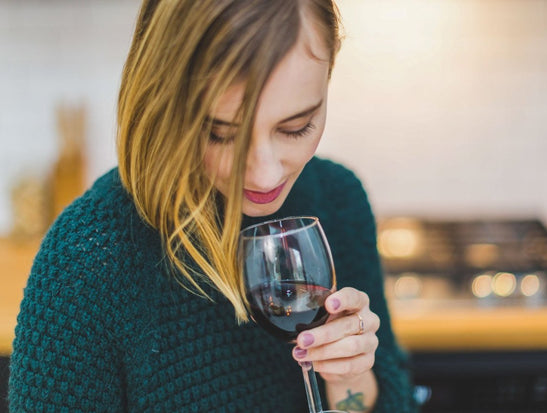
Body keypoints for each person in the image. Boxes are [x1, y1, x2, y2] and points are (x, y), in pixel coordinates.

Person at [9, 0, 417, 411]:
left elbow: (368, 402)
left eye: (296, 127)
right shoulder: (86, 258)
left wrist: (350, 378)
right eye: (221, 134)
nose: (264, 174)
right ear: (165, 101)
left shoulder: (337, 200)